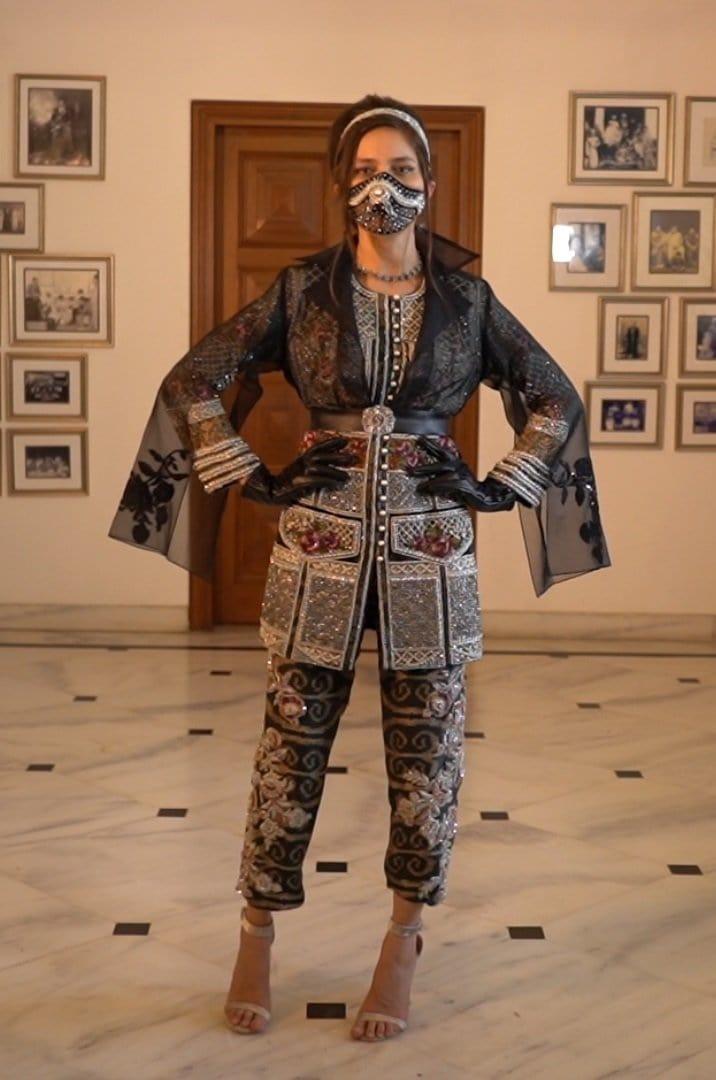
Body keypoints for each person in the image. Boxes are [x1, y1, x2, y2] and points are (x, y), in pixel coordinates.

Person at [108, 93, 611, 1042]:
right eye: (368, 171)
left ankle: (403, 940)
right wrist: (249, 472)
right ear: (344, 186)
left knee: (428, 757)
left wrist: (502, 484)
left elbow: (553, 396)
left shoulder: (467, 302)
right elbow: (192, 380)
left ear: (430, 183)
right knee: (287, 754)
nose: (387, 186)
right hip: (320, 548)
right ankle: (256, 933)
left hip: (432, 551)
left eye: (403, 170)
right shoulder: (302, 291)